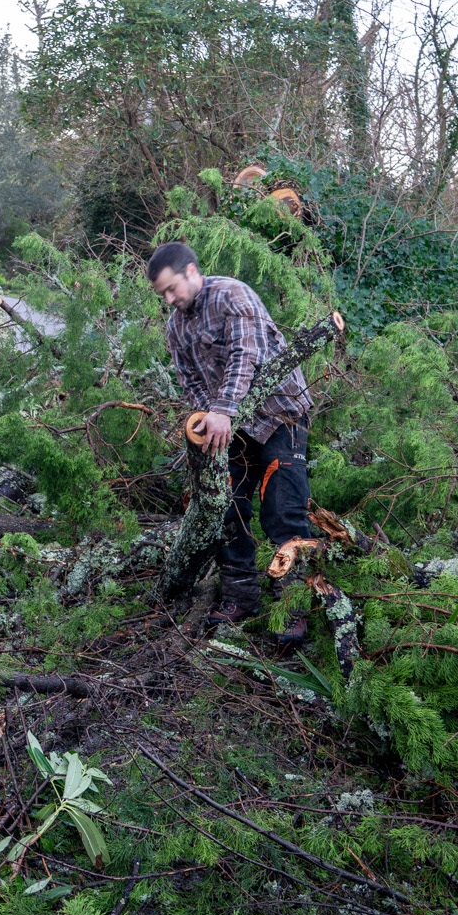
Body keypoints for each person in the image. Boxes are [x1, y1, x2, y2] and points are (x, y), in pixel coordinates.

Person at [146, 241, 314, 640]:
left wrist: (223, 409)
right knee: (226, 506)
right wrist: (209, 415)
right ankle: (241, 597)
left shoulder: (231, 295)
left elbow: (245, 355)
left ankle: (294, 608)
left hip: (280, 414)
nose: (170, 299)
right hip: (232, 427)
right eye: (162, 294)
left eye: (172, 288)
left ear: (191, 271)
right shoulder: (176, 326)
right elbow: (189, 381)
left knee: (283, 508)